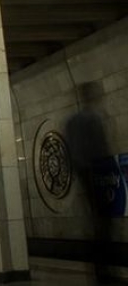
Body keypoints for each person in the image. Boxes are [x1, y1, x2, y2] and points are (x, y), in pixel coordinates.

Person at [65, 81, 116, 284]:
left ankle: (96, 267)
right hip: (97, 173)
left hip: (82, 173)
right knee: (104, 220)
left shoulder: (71, 121)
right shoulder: (93, 119)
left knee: (94, 219)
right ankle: (104, 268)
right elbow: (102, 149)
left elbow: (69, 151)